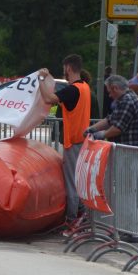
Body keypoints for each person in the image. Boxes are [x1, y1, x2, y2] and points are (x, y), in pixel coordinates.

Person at [39, 54, 91, 226]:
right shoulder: (85, 88)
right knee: (79, 181)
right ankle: (83, 216)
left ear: (68, 68)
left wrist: (40, 79)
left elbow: (48, 98)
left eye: (64, 69)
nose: (64, 72)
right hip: (82, 141)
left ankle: (71, 219)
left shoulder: (72, 90)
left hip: (73, 142)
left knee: (71, 183)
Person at [85, 74, 138, 146]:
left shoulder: (127, 101)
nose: (110, 95)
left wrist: (101, 134)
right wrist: (92, 129)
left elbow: (118, 128)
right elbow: (110, 119)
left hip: (129, 151)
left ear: (115, 88)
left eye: (109, 92)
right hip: (130, 150)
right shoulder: (127, 99)